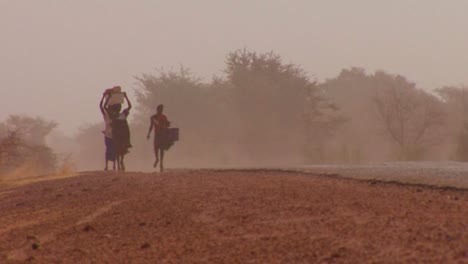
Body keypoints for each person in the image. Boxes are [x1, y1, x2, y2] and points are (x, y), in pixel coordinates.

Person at [105, 90, 132, 171]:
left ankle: (121, 161)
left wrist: (126, 97)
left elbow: (130, 106)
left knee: (122, 144)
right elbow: (104, 107)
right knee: (116, 147)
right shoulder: (113, 114)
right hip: (117, 133)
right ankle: (120, 162)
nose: (118, 108)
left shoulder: (122, 114)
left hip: (122, 133)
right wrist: (108, 98)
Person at [147, 104, 170, 172]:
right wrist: (148, 134)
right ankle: (157, 159)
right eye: (160, 109)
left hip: (162, 134)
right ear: (158, 110)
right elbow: (151, 126)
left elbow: (166, 124)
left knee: (162, 150)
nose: (161, 111)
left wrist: (167, 124)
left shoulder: (164, 116)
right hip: (157, 135)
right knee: (156, 148)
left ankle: (161, 164)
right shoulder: (153, 117)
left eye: (162, 110)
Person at [99, 91, 115, 170]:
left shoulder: (114, 115)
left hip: (114, 135)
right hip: (108, 135)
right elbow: (101, 107)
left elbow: (103, 107)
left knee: (114, 149)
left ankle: (114, 165)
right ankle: (107, 166)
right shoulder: (106, 115)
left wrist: (107, 97)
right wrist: (104, 97)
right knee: (108, 150)